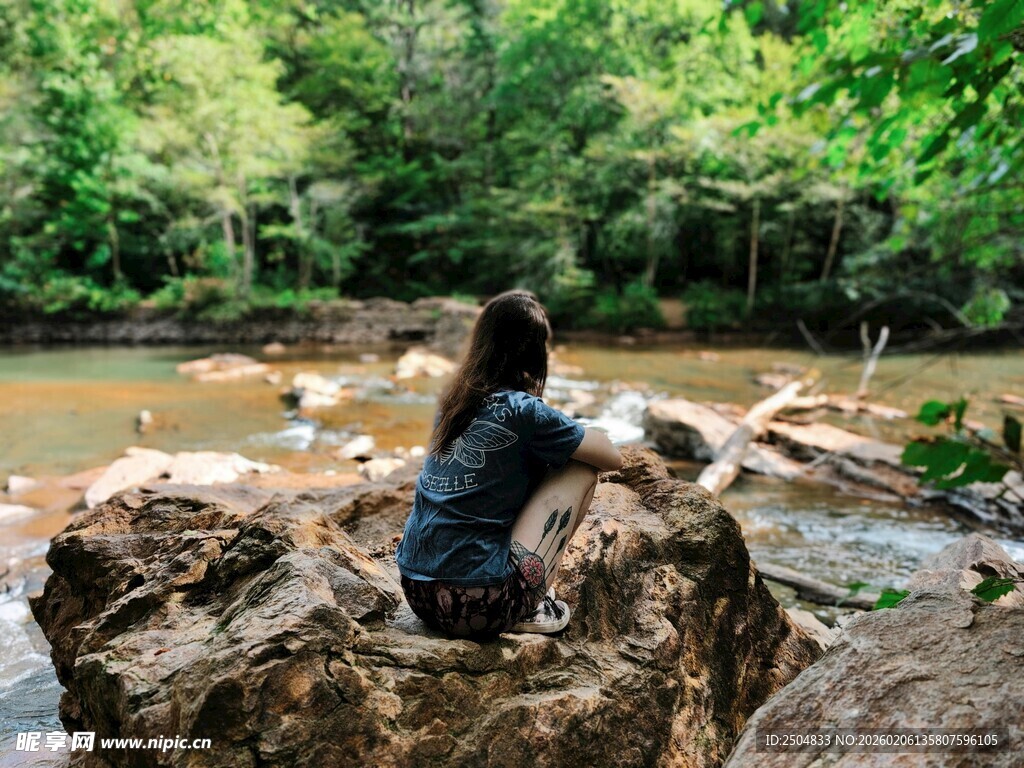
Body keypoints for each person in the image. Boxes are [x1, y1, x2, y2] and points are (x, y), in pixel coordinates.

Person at [395, 290, 622, 641]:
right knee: (580, 468)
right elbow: (611, 457)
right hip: (479, 606)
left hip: (418, 595)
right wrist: (570, 428)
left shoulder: (454, 400)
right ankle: (534, 603)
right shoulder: (525, 411)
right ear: (534, 350)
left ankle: (517, 593)